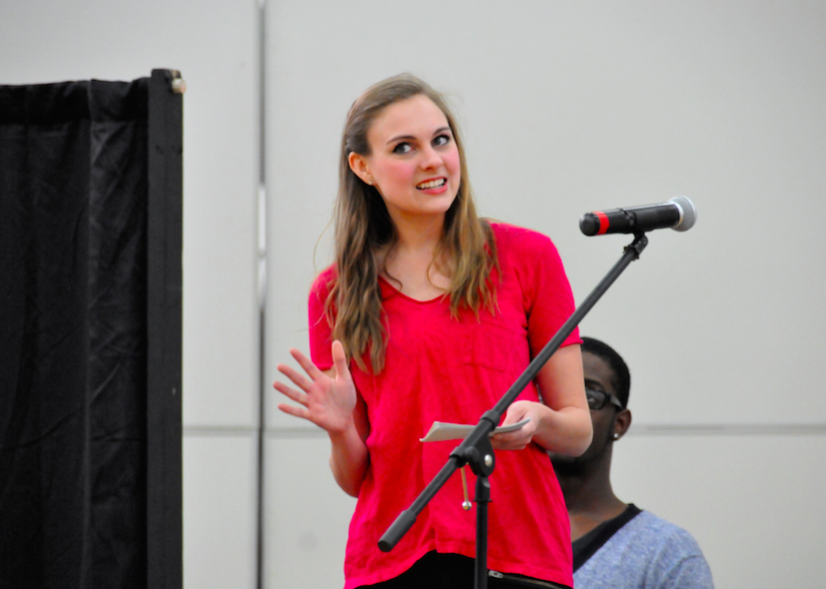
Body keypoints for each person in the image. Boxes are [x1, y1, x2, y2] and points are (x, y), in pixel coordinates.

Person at [273, 74, 593, 589]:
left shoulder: (527, 258)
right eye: (404, 148)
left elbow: (578, 430)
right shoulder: (335, 294)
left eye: (440, 140)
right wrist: (339, 430)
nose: (432, 161)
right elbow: (356, 480)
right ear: (363, 167)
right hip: (395, 559)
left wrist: (538, 419)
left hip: (518, 552)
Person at [549, 337, 714, 589]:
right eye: (549, 391)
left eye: (589, 396)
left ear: (620, 423)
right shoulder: (486, 529)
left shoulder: (666, 553)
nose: (565, 410)